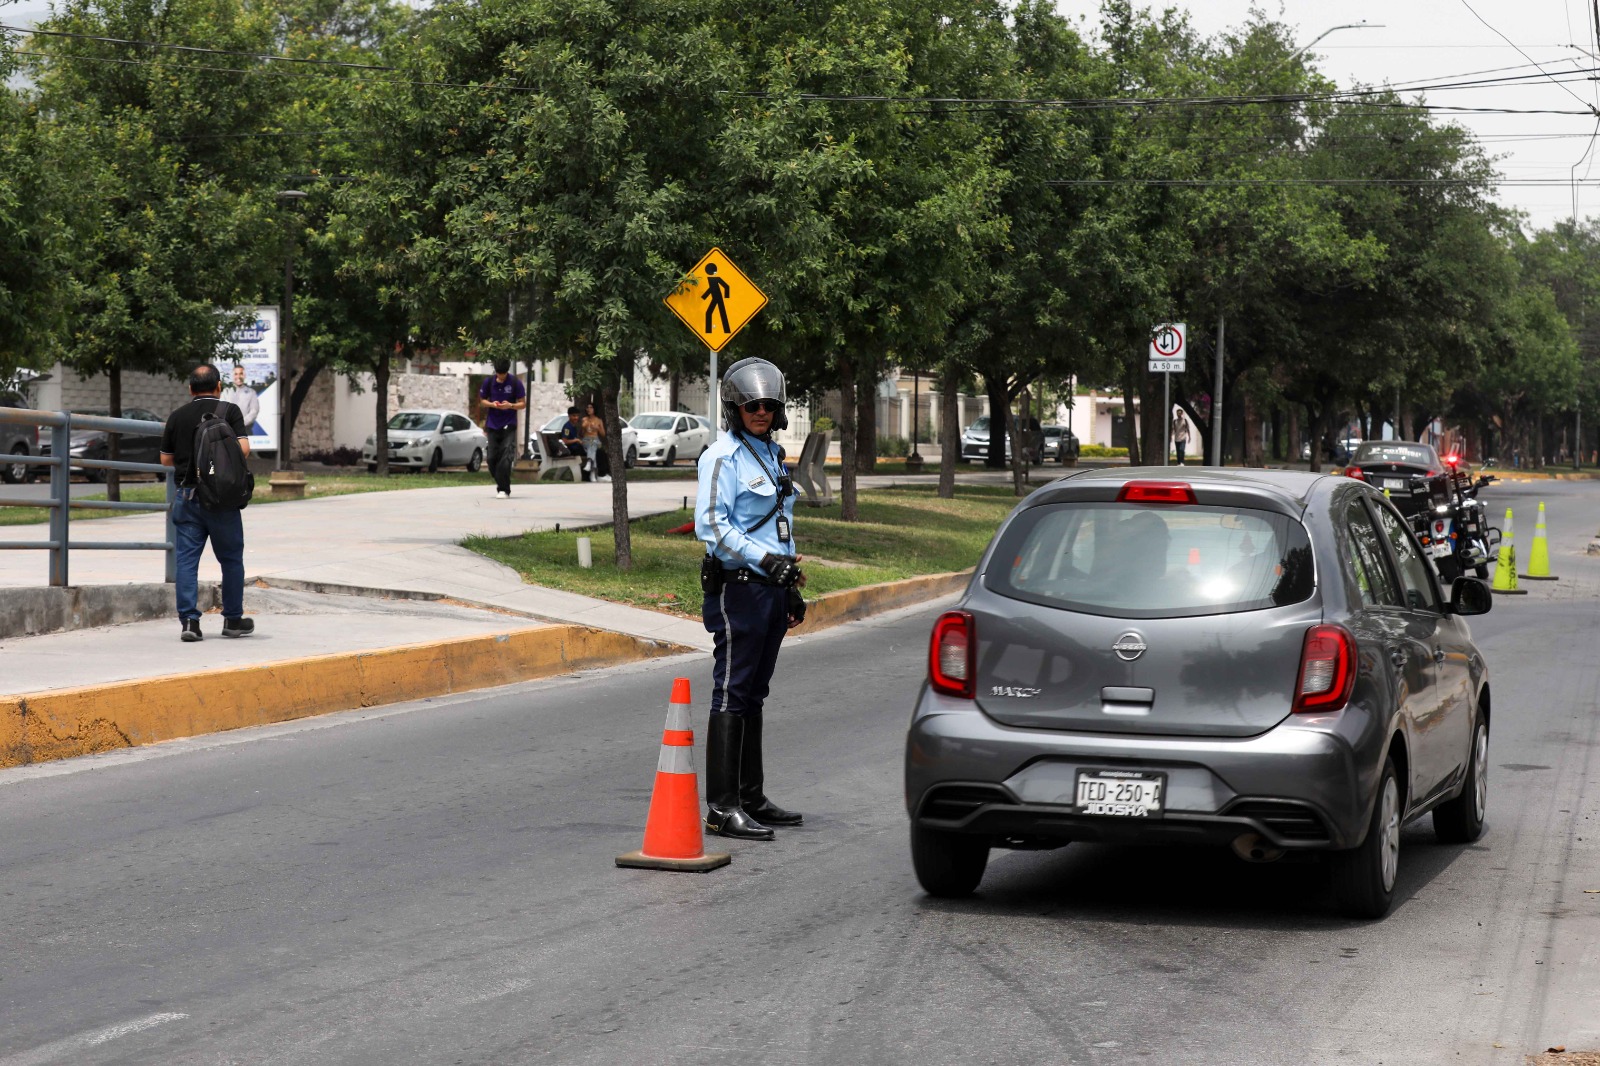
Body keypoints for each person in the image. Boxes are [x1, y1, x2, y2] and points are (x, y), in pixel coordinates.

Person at [695, 357, 806, 841]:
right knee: (732, 690)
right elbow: (714, 527)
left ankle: (751, 796)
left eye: (769, 405)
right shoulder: (722, 456)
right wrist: (767, 562)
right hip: (738, 587)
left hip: (771, 588)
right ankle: (722, 807)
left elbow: (781, 523)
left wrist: (790, 582)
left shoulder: (772, 453)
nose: (761, 411)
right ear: (733, 409)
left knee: (755, 692)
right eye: (751, 405)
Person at [159, 364, 253, 643]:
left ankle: (190, 622)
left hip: (188, 497)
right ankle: (233, 620)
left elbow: (165, 459)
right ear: (219, 386)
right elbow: (244, 449)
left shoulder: (177, 416)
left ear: (190, 389)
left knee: (187, 561)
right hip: (221, 498)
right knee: (231, 559)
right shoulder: (230, 411)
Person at [478, 357, 526, 498]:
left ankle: (503, 489)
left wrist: (510, 405)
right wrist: (492, 404)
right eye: (499, 373)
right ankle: (502, 480)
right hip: (492, 424)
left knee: (505, 457)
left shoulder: (515, 382)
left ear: (507, 371)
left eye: (503, 373)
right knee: (492, 458)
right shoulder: (488, 382)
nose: (501, 376)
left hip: (509, 424)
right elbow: (482, 401)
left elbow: (522, 404)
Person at [223, 364, 260, 434]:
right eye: (236, 374)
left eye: (241, 374)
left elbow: (254, 411)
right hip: (228, 431)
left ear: (244, 375)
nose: (238, 376)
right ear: (232, 376)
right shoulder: (226, 391)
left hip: (246, 431)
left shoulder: (251, 392)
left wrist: (241, 423)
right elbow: (222, 410)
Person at [580, 401, 606, 481]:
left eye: (591, 407)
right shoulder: (584, 419)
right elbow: (581, 434)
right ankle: (592, 473)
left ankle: (589, 463)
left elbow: (603, 434)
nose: (588, 409)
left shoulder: (598, 420)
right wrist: (583, 428)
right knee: (592, 445)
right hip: (586, 440)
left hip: (596, 440)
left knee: (593, 443)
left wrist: (597, 428)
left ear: (594, 409)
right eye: (587, 407)